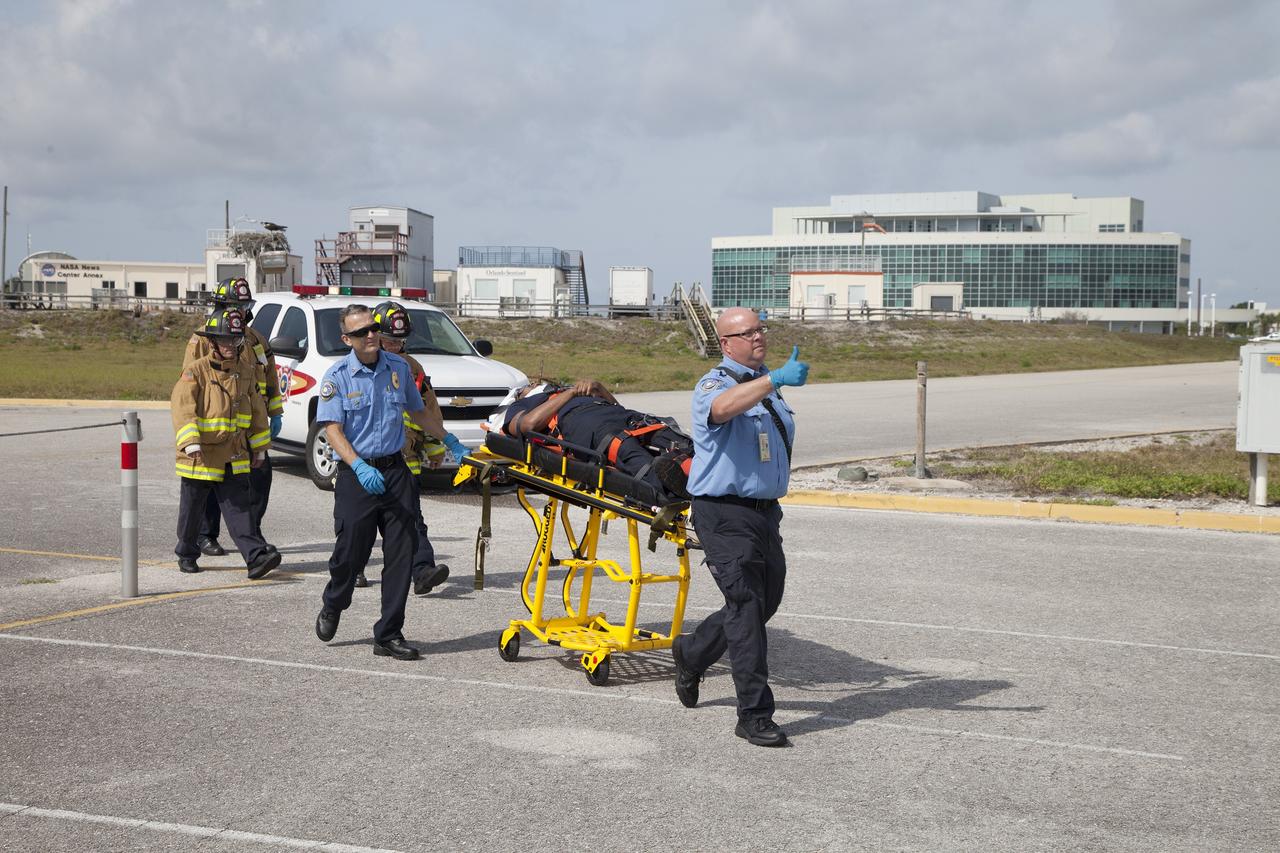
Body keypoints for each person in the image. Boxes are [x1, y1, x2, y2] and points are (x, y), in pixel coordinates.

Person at [670, 308, 808, 747]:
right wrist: (774, 380)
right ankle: (753, 714)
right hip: (723, 513)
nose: (757, 337)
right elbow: (721, 409)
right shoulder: (715, 384)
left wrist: (773, 382)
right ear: (726, 344)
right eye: (746, 333)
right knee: (746, 605)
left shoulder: (767, 387)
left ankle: (691, 653)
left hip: (764, 512)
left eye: (760, 329)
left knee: (762, 604)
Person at [312, 304, 470, 661]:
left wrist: (448, 440)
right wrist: (356, 464)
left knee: (401, 554)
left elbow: (417, 411)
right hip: (357, 474)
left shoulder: (398, 367)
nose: (370, 336)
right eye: (360, 332)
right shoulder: (337, 377)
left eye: (372, 328)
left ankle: (388, 634)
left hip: (396, 471)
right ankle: (335, 600)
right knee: (350, 553)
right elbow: (332, 429)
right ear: (346, 339)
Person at [171, 307, 282, 579]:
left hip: (234, 453)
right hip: (201, 456)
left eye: (236, 340)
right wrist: (191, 442)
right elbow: (182, 407)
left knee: (239, 509)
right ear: (212, 343)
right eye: (225, 340)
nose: (232, 346)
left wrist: (259, 448)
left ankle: (256, 558)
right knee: (192, 511)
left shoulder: (245, 372)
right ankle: (186, 552)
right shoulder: (195, 372)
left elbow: (256, 410)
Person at [350, 300, 450, 595]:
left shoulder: (412, 368)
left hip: (405, 461)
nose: (394, 346)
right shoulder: (356, 367)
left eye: (400, 341)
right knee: (361, 526)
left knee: (411, 521)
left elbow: (428, 410)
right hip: (365, 462)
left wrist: (435, 447)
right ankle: (352, 570)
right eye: (389, 340)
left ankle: (422, 572)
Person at [492, 378, 692, 501]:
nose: (534, 384)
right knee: (624, 447)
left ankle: (702, 473)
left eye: (535, 383)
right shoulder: (522, 405)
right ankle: (673, 489)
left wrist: (598, 387)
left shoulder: (568, 391)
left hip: (619, 414)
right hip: (585, 423)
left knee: (672, 437)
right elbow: (527, 426)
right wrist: (569, 394)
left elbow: (617, 406)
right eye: (528, 386)